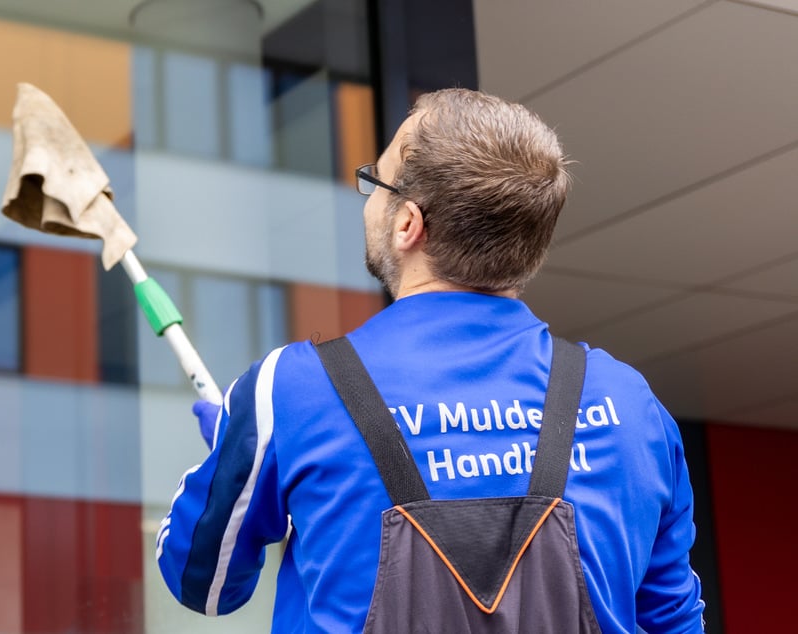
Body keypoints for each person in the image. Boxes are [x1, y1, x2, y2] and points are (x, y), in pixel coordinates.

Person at [156, 88, 705, 633]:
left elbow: (202, 584)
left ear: (407, 224)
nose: (368, 196)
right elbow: (673, 620)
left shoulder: (290, 391)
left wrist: (234, 459)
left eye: (374, 179)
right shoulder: (631, 404)